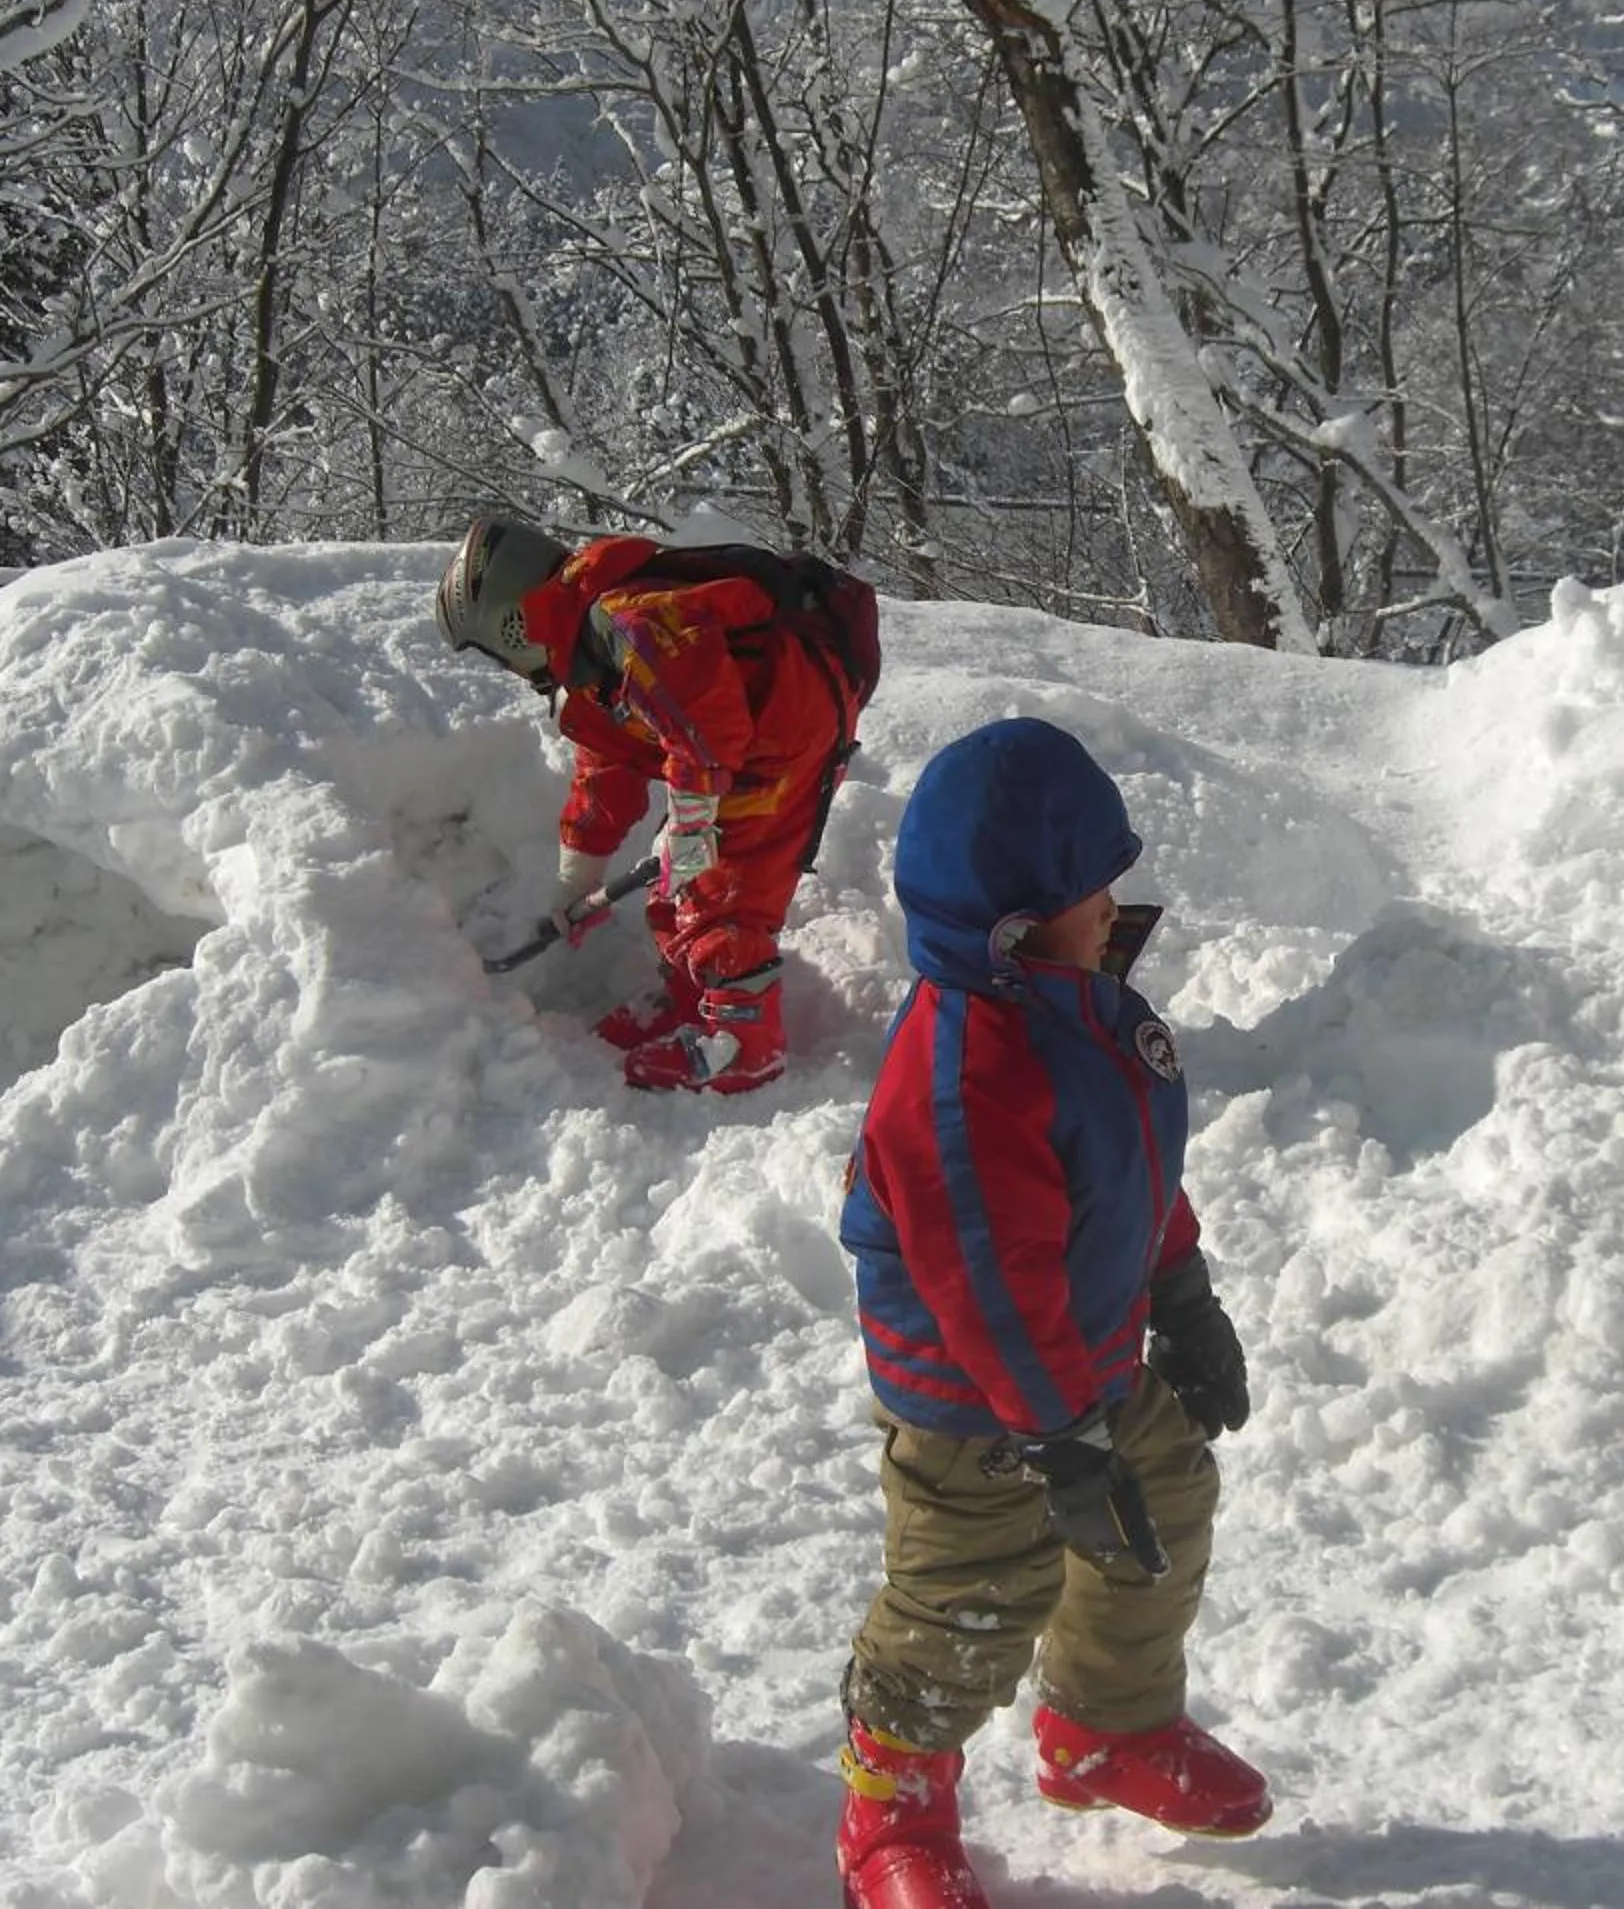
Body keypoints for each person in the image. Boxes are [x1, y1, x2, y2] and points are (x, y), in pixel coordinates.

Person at [831, 716, 1267, 1909]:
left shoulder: (1078, 1013)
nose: (1115, 905)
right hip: (981, 1396)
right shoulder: (966, 1074)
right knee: (973, 1588)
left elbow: (1129, 1176)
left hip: (1080, 1364)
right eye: (1094, 888)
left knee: (1161, 1510)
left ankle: (1106, 1732)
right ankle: (890, 1808)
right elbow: (993, 1285)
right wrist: (1061, 1434)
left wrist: (1180, 1293)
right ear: (1017, 926)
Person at [434, 518, 877, 1096]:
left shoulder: (629, 620)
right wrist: (579, 876)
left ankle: (743, 1045)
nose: (510, 670)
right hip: (746, 741)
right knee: (678, 881)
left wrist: (693, 820)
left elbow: (707, 721)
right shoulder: (588, 644)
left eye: (499, 654)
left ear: (509, 625)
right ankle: (694, 1000)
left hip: (783, 731)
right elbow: (608, 766)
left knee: (718, 890)